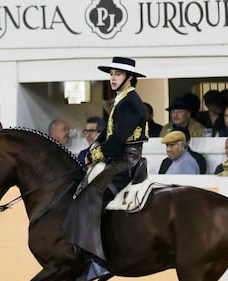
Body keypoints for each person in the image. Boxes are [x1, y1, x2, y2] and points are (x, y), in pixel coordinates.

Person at [63, 56, 148, 281]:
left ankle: (99, 261)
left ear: (129, 77)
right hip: (116, 158)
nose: (112, 78)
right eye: (111, 74)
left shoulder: (130, 102)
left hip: (124, 162)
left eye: (117, 74)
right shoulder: (121, 98)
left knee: (91, 196)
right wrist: (95, 147)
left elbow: (118, 141)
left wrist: (94, 153)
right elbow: (107, 133)